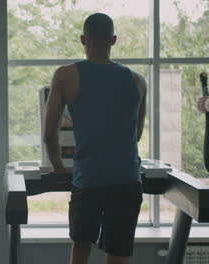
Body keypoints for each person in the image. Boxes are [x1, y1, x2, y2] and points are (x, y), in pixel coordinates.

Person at [44, 13, 147, 264]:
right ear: (113, 40)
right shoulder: (138, 81)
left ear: (83, 39)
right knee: (119, 252)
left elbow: (49, 133)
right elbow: (136, 135)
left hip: (88, 179)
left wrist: (58, 166)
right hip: (127, 180)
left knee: (81, 247)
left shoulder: (65, 75)